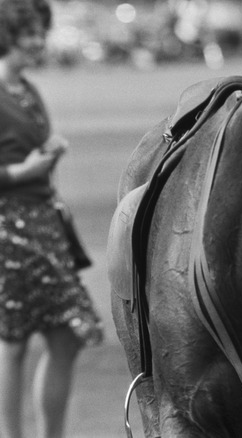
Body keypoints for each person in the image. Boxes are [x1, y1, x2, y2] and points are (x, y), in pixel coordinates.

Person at [0, 0, 103, 436]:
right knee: (15, 340)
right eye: (29, 35)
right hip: (10, 223)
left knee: (69, 332)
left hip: (44, 220)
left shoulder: (26, 88)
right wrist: (22, 171)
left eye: (41, 32)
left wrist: (48, 153)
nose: (38, 42)